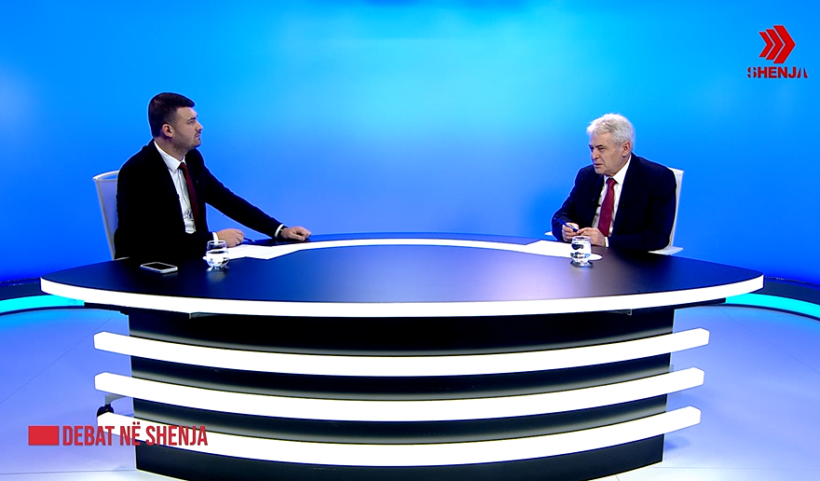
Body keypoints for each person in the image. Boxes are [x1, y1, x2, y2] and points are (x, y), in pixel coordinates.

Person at [114, 93, 310, 261]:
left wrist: (279, 230)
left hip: (194, 260)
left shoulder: (192, 160)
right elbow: (152, 241)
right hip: (151, 269)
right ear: (168, 130)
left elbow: (227, 200)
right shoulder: (137, 172)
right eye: (191, 122)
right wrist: (214, 239)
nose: (200, 127)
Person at [551, 114, 676, 251]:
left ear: (625, 148)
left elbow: (657, 236)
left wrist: (606, 242)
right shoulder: (586, 176)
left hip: (629, 258)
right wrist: (565, 229)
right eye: (592, 148)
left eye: (601, 149)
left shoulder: (657, 178)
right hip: (586, 255)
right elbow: (560, 216)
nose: (594, 156)